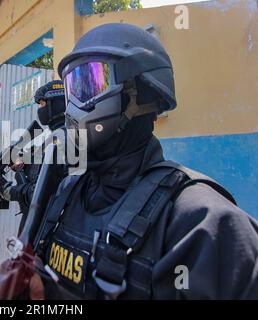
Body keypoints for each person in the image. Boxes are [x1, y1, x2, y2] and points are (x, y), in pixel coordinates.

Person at [28, 23, 258, 299]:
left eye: (89, 83)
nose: (73, 105)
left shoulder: (204, 225)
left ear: (139, 91)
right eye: (71, 88)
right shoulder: (68, 193)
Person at [0, 80, 67, 235]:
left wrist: (4, 190)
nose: (39, 109)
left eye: (42, 103)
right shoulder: (58, 136)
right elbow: (42, 170)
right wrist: (25, 164)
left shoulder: (61, 140)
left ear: (55, 103)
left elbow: (39, 194)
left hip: (46, 230)